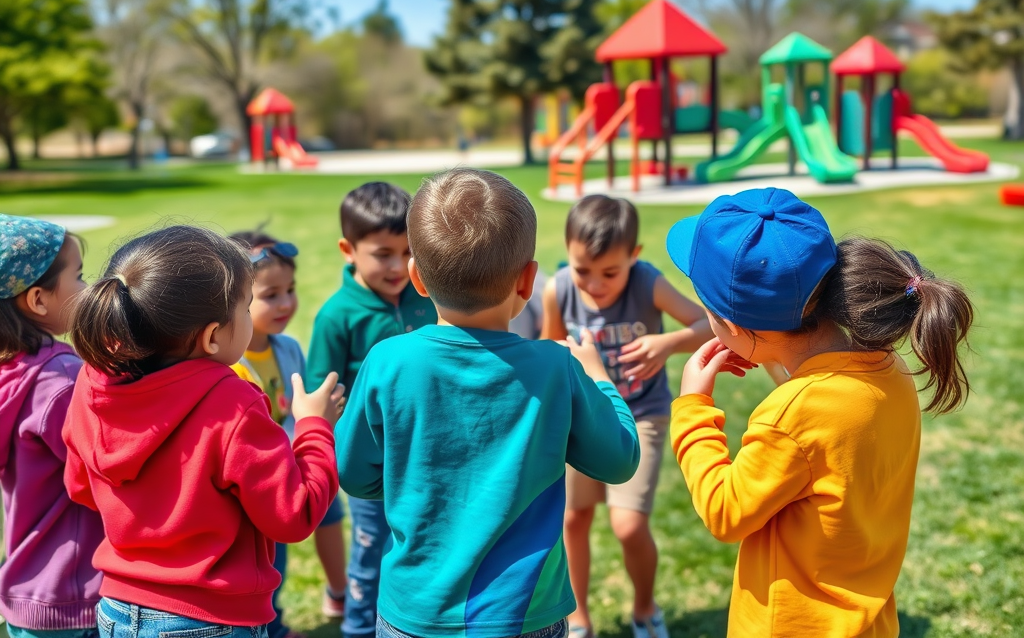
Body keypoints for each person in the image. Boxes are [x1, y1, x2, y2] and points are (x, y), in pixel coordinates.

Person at [335, 168, 642, 638]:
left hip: (412, 611)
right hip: (523, 614)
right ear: (527, 281)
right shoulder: (556, 368)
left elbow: (355, 475)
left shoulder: (386, 361)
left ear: (417, 277)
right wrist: (599, 377)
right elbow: (619, 460)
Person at [666, 187, 974, 638]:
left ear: (732, 326)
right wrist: (771, 356)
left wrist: (693, 405)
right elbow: (823, 436)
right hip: (867, 622)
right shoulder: (890, 369)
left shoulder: (791, 416)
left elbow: (725, 511)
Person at [62, 225, 342, 638]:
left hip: (118, 610)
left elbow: (80, 487)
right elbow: (293, 516)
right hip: (212, 618)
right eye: (246, 308)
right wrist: (314, 427)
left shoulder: (93, 382)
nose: (249, 316)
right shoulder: (234, 402)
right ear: (212, 336)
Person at [541, 194, 713, 638]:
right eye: (583, 271)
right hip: (584, 421)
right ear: (568, 252)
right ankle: (577, 617)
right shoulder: (558, 289)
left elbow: (706, 325)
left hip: (642, 416)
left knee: (627, 522)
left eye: (609, 273)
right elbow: (546, 351)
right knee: (573, 519)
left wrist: (667, 343)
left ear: (634, 257)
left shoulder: (647, 282)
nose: (594, 285)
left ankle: (644, 608)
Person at [306, 182, 437, 638]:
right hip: (372, 469)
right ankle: (359, 627)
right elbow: (320, 397)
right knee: (371, 550)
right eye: (383, 253)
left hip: (426, 461)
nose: (399, 266)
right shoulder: (336, 316)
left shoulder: (430, 300)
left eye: (407, 251)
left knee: (421, 547)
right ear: (348, 249)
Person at [228, 231, 349, 633]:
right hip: (267, 476)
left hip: (302, 456)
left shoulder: (289, 347)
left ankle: (340, 591)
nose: (285, 303)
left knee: (331, 510)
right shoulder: (232, 362)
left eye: (290, 290)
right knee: (269, 554)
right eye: (270, 295)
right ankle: (274, 625)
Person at [0, 215, 104, 638]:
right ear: (39, 300)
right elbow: (103, 470)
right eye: (77, 277)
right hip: (75, 590)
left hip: (27, 591)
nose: (87, 288)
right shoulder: (60, 381)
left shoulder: (11, 371)